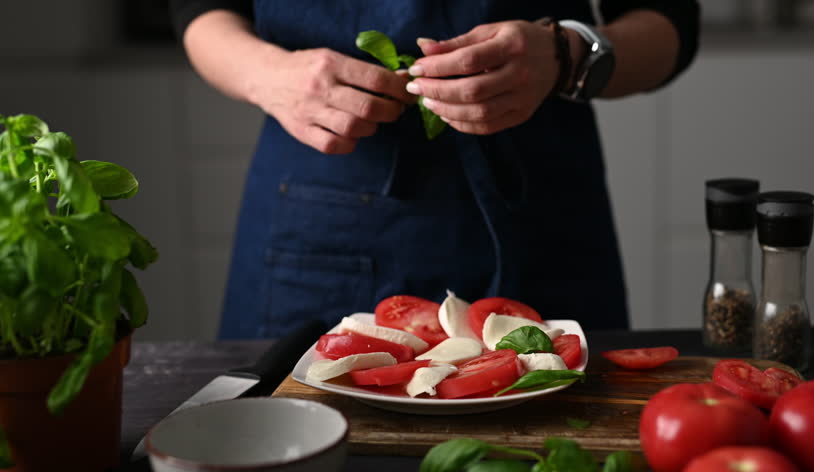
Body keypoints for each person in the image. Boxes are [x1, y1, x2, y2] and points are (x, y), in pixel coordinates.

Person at [170, 0, 700, 339]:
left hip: (541, 203)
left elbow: (669, 22)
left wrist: (567, 56)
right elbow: (198, 10)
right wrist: (269, 74)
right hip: (323, 211)